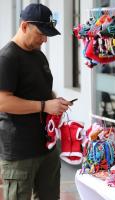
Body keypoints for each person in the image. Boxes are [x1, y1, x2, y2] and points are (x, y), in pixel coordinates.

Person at [0, 3, 72, 200]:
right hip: (20, 151)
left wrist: (55, 102)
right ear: (24, 26)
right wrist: (44, 106)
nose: (45, 39)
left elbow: (40, 92)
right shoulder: (7, 58)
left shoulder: (39, 55)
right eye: (41, 33)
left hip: (46, 146)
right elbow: (3, 102)